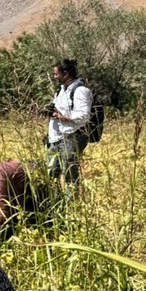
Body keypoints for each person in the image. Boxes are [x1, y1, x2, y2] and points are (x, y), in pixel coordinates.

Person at [45, 59, 92, 194]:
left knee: (69, 175)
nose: (54, 77)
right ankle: (56, 203)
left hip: (72, 137)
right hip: (55, 138)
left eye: (56, 74)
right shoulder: (60, 91)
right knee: (52, 174)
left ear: (65, 73)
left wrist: (62, 117)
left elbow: (84, 115)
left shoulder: (81, 90)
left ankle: (71, 206)